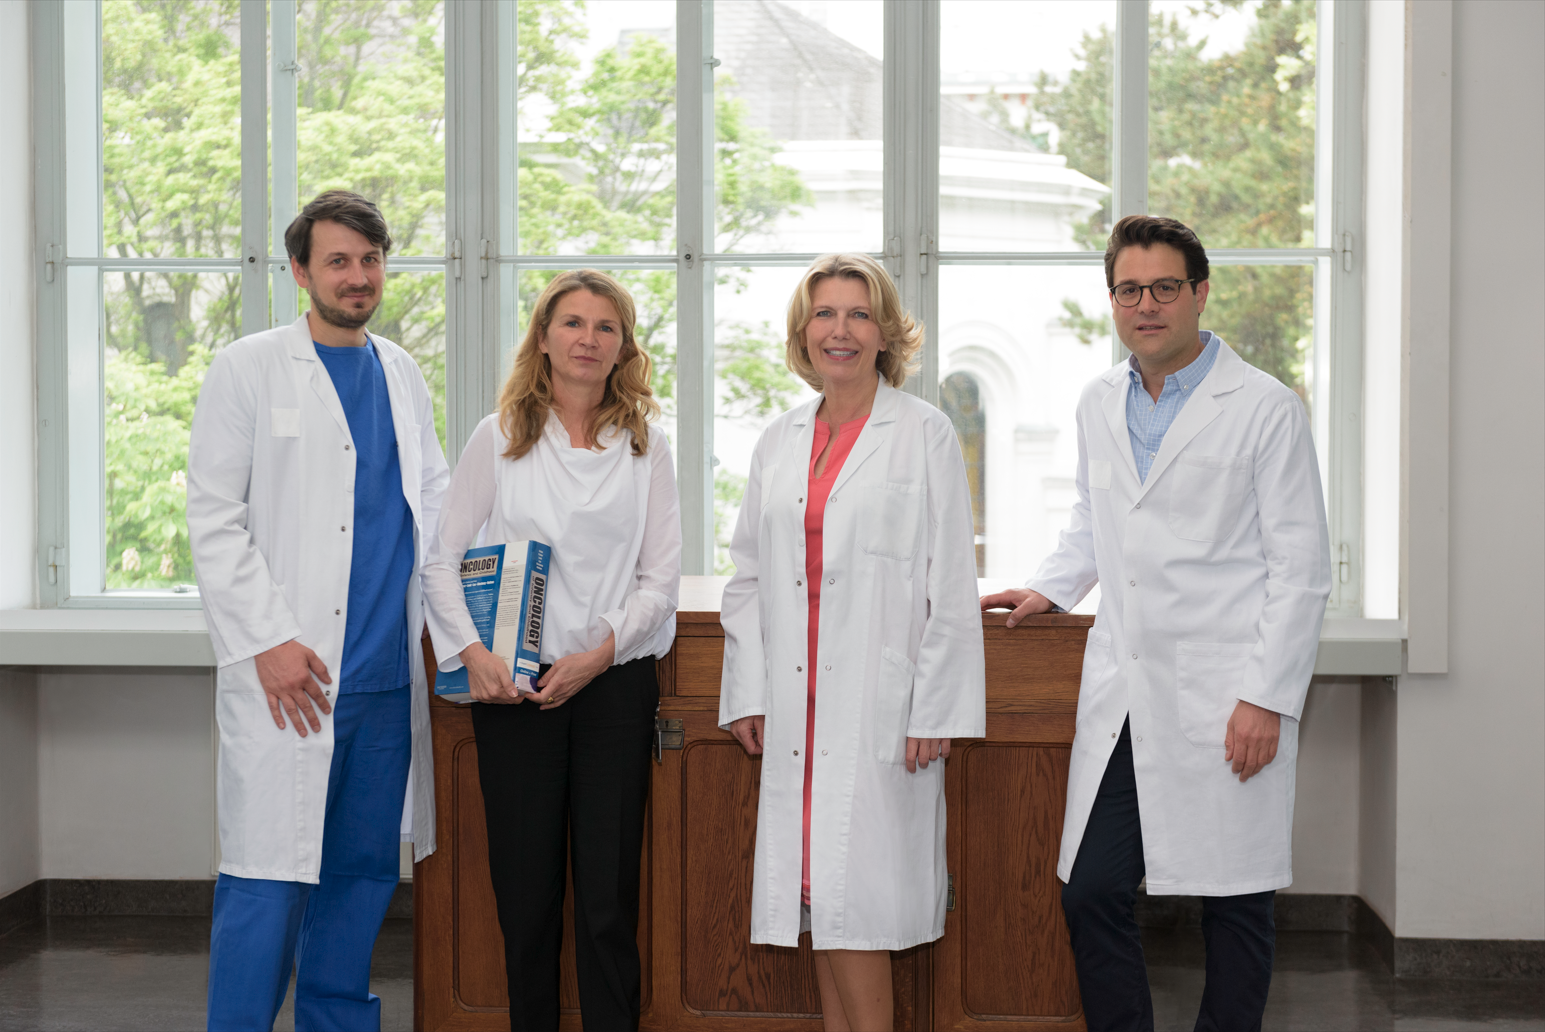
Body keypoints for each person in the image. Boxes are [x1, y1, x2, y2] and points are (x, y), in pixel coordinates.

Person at [981, 215, 1332, 1032]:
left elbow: (1300, 569)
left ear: (1198, 293)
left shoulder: (1264, 408)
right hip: (1126, 692)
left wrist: (1265, 697)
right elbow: (1091, 521)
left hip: (1223, 693)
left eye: (1164, 287)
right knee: (1093, 890)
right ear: (1112, 300)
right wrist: (1049, 589)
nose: (1146, 305)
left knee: (1234, 906)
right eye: (1128, 289)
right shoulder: (1098, 401)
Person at [188, 190, 449, 1031]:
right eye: (338, 260)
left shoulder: (401, 371)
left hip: (378, 682)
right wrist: (267, 641)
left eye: (371, 260)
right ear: (300, 271)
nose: (358, 276)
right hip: (290, 677)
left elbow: (437, 512)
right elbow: (213, 518)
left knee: (359, 881)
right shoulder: (249, 366)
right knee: (267, 881)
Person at [720, 253, 986, 1032]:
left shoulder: (923, 433)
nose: (840, 330)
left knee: (860, 913)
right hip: (795, 714)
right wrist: (746, 692)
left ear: (884, 333)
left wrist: (932, 707)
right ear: (804, 332)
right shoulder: (779, 440)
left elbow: (950, 581)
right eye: (825, 313)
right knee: (821, 908)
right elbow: (744, 577)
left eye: (858, 314)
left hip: (879, 709)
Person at [422, 269, 680, 1031]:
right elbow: (441, 560)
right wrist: (473, 654)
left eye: (605, 327)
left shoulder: (644, 445)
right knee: (526, 895)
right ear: (542, 336)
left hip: (610, 688)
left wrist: (596, 657)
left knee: (607, 899)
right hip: (514, 692)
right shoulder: (498, 436)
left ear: (622, 345)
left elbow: (658, 581)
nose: (587, 339)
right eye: (572, 323)